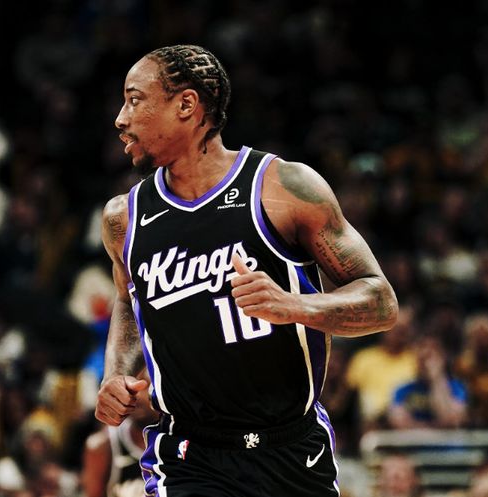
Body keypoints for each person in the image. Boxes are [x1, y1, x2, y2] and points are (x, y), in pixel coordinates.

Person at [94, 44, 398, 497]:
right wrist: (115, 373)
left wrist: (293, 306)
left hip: (290, 447)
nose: (121, 118)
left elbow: (380, 302)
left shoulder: (283, 188)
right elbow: (127, 299)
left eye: (135, 100)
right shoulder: (124, 219)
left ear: (186, 104)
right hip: (188, 456)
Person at [388, 335, 467, 429]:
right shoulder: (402, 389)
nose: (426, 362)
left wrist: (436, 379)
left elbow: (451, 420)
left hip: (445, 439)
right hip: (414, 438)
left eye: (431, 355)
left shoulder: (456, 388)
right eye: (422, 357)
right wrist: (433, 428)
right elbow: (400, 423)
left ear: (442, 358)